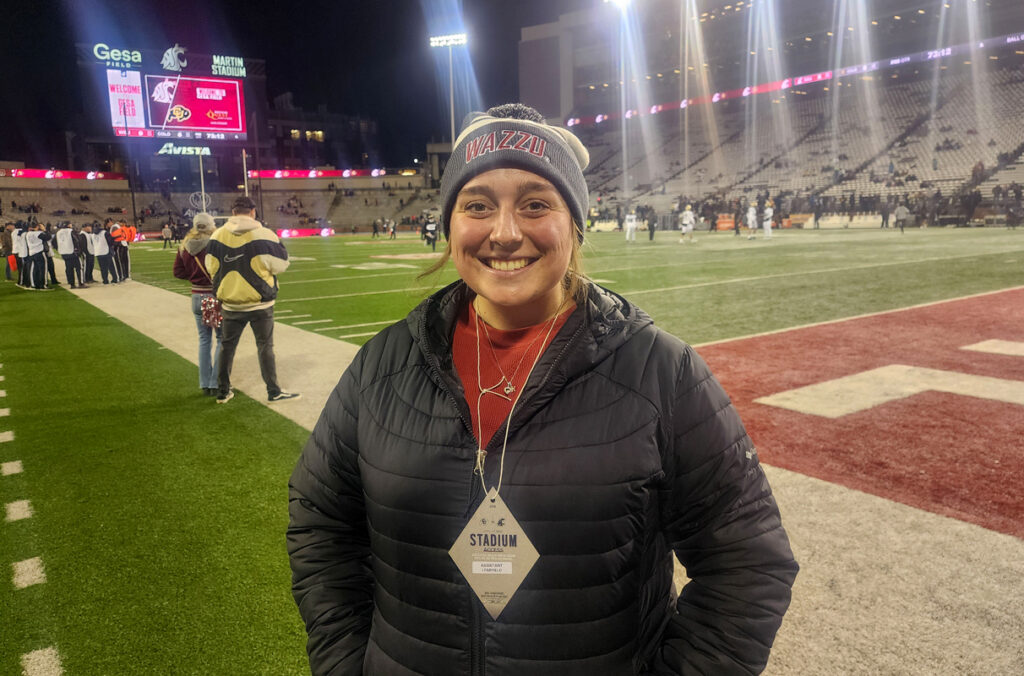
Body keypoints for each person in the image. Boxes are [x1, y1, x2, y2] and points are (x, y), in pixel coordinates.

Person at [287, 103, 797, 675]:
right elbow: (321, 524)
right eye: (477, 205)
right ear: (450, 224)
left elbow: (749, 564)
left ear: (574, 221)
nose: (505, 233)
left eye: (535, 204)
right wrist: (345, 663)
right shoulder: (382, 364)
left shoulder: (662, 372)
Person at [205, 196, 299, 404]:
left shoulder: (217, 236)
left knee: (227, 346)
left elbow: (210, 266)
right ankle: (273, 390)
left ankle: (223, 391)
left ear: (232, 211)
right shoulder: (265, 234)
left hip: (231, 302)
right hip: (261, 302)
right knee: (265, 346)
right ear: (253, 212)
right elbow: (281, 265)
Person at [173, 213, 223, 396]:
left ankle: (204, 382)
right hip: (210, 295)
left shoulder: (185, 245)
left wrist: (194, 277)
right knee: (221, 340)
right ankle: (215, 382)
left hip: (195, 296)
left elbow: (177, 272)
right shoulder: (213, 244)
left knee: (204, 341)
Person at [55, 223, 85, 288]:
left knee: (69, 269)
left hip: (64, 253)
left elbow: (54, 242)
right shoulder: (71, 231)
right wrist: (78, 249)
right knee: (79, 268)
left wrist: (59, 248)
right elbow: (77, 240)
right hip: (73, 252)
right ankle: (81, 283)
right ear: (68, 225)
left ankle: (72, 284)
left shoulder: (58, 232)